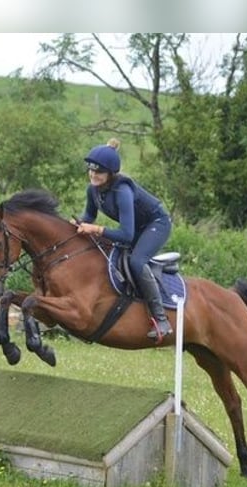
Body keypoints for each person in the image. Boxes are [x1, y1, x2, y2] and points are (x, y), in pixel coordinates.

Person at [75, 138, 173, 341]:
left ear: (110, 174)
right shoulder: (92, 190)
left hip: (157, 223)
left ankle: (161, 320)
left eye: (99, 172)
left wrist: (97, 229)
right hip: (137, 227)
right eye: (91, 170)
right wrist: (74, 225)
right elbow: (88, 217)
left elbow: (126, 235)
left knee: (137, 261)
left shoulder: (122, 191)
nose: (93, 175)